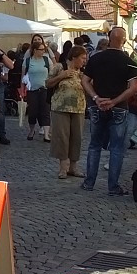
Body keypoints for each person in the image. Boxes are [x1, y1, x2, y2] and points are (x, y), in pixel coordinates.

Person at [80, 27, 137, 196]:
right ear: (124, 40)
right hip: (119, 108)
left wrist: (95, 98)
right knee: (116, 148)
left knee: (94, 146)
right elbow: (134, 88)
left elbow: (85, 81)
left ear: (108, 38)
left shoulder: (96, 58)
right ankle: (113, 186)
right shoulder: (129, 61)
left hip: (97, 106)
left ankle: (89, 182)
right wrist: (114, 101)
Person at [47, 46, 88, 179]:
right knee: (62, 138)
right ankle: (63, 168)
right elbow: (48, 83)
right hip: (60, 107)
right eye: (82, 58)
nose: (84, 61)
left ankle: (73, 167)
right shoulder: (60, 67)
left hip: (79, 108)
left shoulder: (84, 72)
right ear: (74, 57)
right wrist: (61, 76)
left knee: (77, 138)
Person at [22, 34, 53, 141]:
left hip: (44, 89)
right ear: (35, 50)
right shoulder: (28, 61)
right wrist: (22, 90)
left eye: (43, 49)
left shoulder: (46, 60)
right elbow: (23, 77)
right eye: (40, 50)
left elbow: (52, 74)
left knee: (45, 112)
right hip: (32, 90)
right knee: (33, 112)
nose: (43, 51)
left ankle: (46, 134)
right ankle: (31, 130)